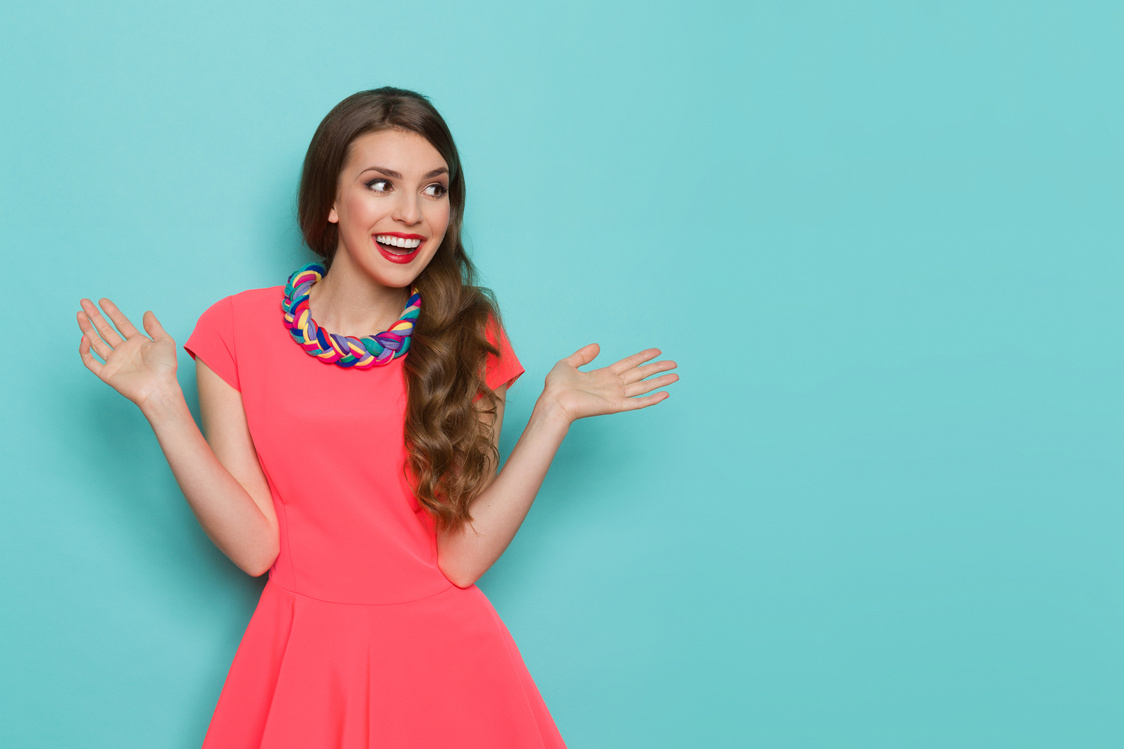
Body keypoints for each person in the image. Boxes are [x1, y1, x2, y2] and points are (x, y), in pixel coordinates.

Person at [75, 86, 679, 746]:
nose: (411, 213)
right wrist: (163, 404)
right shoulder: (234, 330)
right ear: (330, 202)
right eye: (381, 183)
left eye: (434, 189)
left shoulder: (467, 332)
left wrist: (553, 413)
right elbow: (256, 548)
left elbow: (462, 558)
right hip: (302, 654)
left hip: (445, 664)